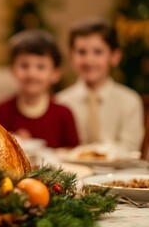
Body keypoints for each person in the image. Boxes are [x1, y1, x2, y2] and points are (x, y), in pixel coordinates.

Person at [56, 17, 144, 152]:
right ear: (71, 56)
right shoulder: (61, 102)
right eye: (81, 52)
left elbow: (131, 149)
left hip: (119, 172)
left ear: (115, 57)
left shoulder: (129, 101)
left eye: (98, 52)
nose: (89, 60)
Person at [0, 29, 79, 148]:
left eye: (41, 67)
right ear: (13, 70)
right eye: (24, 66)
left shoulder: (64, 114)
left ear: (55, 74)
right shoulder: (2, 111)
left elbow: (74, 154)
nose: (32, 74)